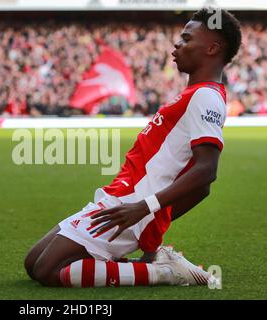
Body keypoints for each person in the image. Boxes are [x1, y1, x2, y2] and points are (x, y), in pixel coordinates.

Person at [24, 8, 242, 288]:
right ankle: (152, 264)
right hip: (122, 199)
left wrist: (146, 210)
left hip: (132, 206)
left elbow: (206, 172)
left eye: (187, 39)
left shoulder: (206, 98)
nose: (177, 44)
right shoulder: (193, 95)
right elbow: (201, 185)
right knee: (34, 262)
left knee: (48, 270)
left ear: (212, 48)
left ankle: (162, 272)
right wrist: (155, 219)